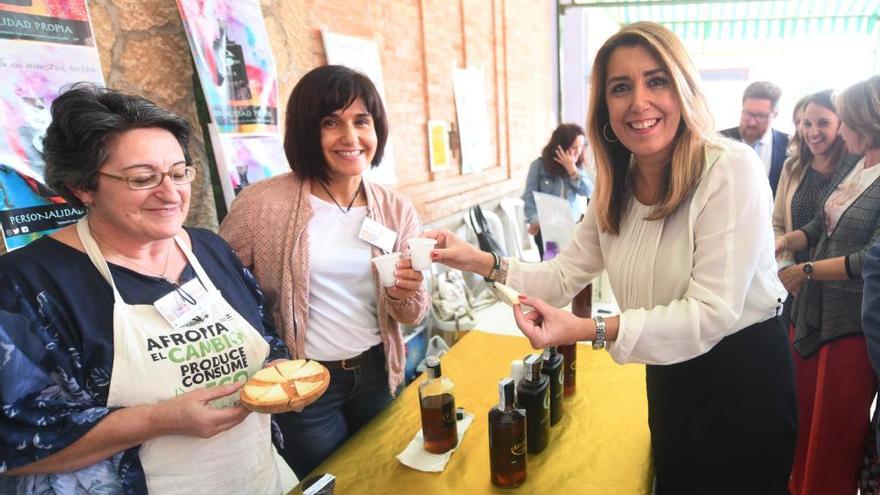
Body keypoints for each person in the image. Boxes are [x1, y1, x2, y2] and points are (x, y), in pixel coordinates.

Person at [426, 21, 795, 493]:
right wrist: (478, 260)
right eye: (621, 88)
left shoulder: (729, 169)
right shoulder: (614, 186)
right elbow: (562, 275)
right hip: (668, 370)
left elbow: (711, 314)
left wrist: (588, 330)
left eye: (656, 80)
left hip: (740, 376)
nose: (639, 102)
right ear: (605, 108)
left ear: (682, 88)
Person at [0, 84, 294, 494]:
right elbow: (13, 439)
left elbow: (265, 336)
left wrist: (278, 374)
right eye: (143, 179)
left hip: (261, 479)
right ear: (82, 187)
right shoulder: (26, 285)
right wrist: (157, 421)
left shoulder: (209, 248)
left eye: (178, 173)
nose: (171, 193)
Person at [220, 65, 430, 478]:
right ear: (305, 130)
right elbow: (224, 295)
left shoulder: (394, 208)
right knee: (327, 480)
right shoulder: (261, 205)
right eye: (331, 122)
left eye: (361, 121)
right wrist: (267, 360)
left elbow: (413, 315)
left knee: (384, 475)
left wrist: (405, 290)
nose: (350, 138)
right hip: (305, 384)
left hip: (377, 370)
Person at [776, 75, 880, 494]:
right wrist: (790, 239)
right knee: (803, 421)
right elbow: (824, 220)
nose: (838, 130)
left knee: (833, 436)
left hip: (851, 324)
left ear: (864, 121)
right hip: (812, 313)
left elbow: (869, 259)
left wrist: (807, 271)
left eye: (844, 120)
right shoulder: (858, 164)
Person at [773, 91, 848, 328]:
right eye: (807, 123)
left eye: (823, 123)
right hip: (793, 286)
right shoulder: (793, 166)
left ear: (841, 124)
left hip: (838, 289)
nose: (813, 132)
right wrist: (786, 268)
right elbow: (777, 223)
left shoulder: (854, 167)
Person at [522, 123, 594, 259]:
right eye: (574, 147)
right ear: (560, 147)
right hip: (548, 231)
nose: (578, 152)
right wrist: (536, 220)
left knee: (574, 268)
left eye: (581, 147)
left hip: (572, 230)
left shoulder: (577, 168)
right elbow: (529, 197)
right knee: (551, 267)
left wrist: (572, 171)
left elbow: (588, 192)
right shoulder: (539, 166)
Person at [721, 80, 790, 196]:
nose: (752, 122)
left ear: (775, 114)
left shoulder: (789, 146)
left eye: (761, 116)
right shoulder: (720, 140)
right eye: (747, 114)